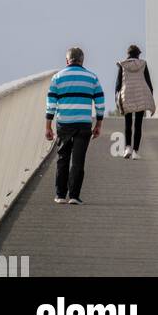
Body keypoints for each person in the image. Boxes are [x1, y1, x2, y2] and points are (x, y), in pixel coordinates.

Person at [45, 46, 105, 205]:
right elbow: (100, 103)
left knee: (63, 158)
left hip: (64, 123)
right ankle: (74, 196)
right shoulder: (92, 77)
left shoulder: (57, 78)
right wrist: (98, 124)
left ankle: (59, 195)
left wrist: (48, 126)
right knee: (78, 160)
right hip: (83, 124)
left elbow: (50, 104)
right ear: (82, 60)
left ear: (67, 60)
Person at [115, 45, 156, 158]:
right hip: (141, 94)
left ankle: (127, 148)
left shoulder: (122, 65)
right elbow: (148, 82)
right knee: (138, 124)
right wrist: (150, 96)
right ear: (138, 54)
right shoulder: (143, 64)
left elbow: (118, 84)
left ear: (128, 54)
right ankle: (135, 152)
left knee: (128, 123)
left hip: (126, 94)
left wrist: (117, 97)